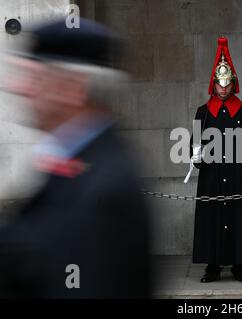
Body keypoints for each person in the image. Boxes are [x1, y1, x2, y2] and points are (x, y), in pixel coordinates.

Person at [0, 19, 150, 298]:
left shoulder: (104, 190)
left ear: (73, 88)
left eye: (35, 77)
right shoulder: (75, 163)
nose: (18, 87)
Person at [190, 37, 242, 283]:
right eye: (219, 84)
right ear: (214, 85)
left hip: (237, 175)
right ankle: (212, 266)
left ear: (233, 84)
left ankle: (239, 265)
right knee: (211, 220)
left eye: (227, 84)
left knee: (238, 220)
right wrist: (196, 155)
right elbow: (196, 143)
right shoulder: (202, 112)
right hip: (211, 177)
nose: (223, 88)